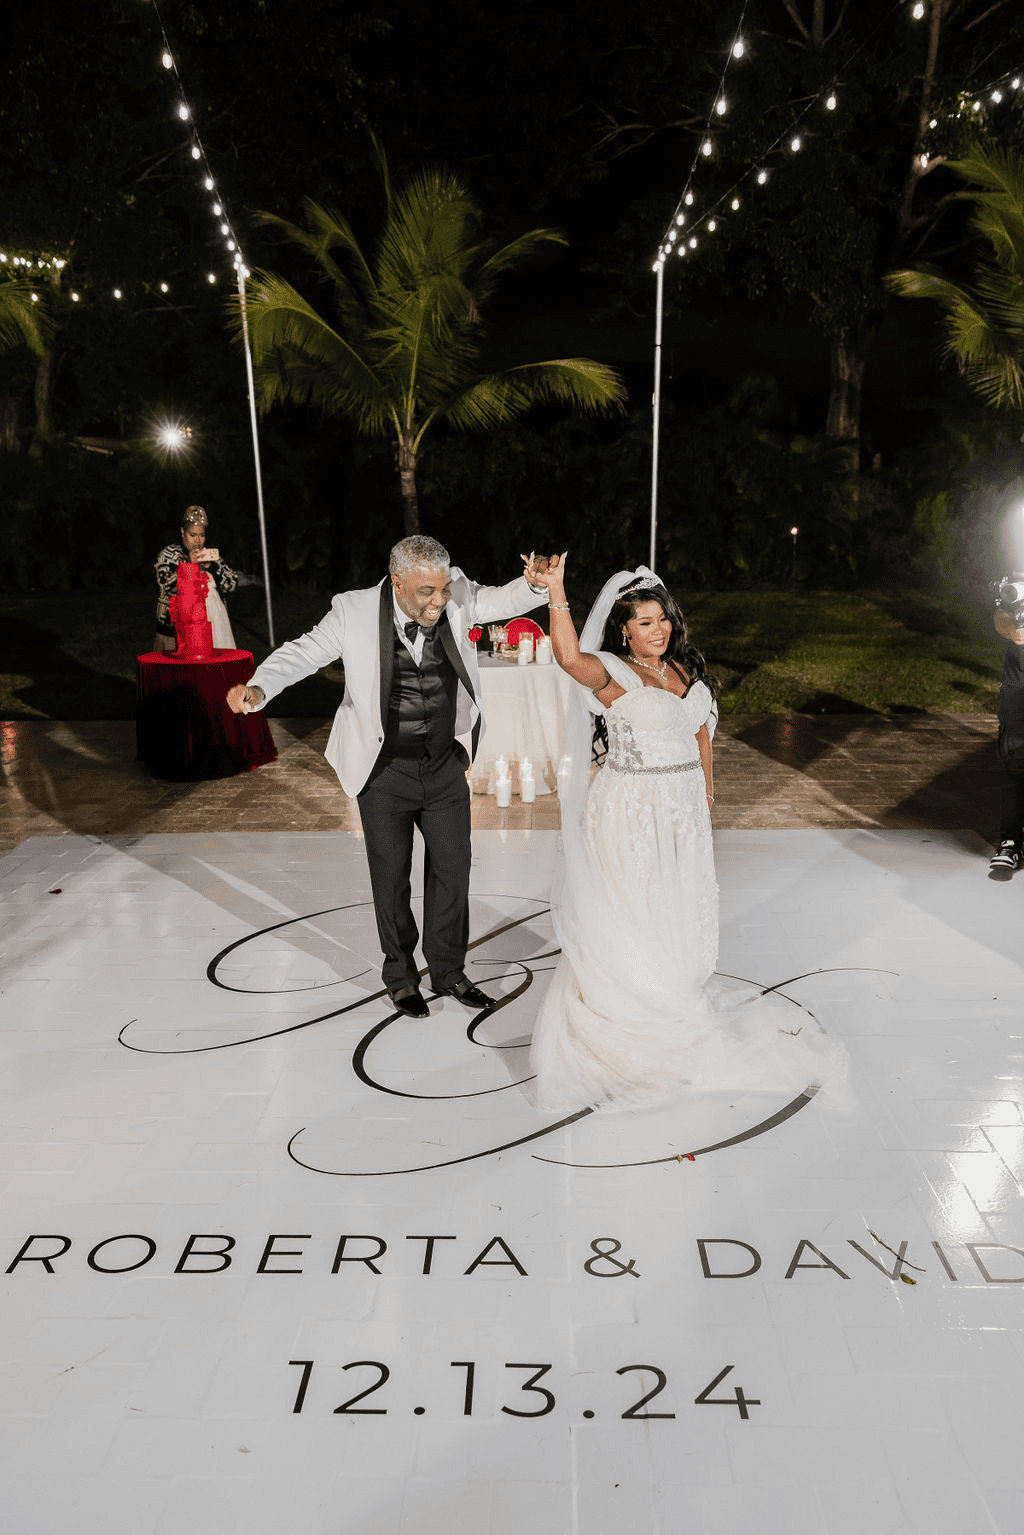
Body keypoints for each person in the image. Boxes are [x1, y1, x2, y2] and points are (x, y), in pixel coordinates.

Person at [527, 556, 844, 1113]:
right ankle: (627, 1020)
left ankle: (671, 1001)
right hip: (629, 810)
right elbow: (567, 656)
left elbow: (700, 734)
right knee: (634, 910)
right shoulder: (612, 672)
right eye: (645, 622)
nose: (659, 629)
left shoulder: (683, 671)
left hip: (681, 812)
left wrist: (706, 796)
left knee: (675, 909)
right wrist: (556, 592)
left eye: (663, 618)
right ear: (624, 629)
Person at [226, 535, 552, 1017]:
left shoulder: (454, 591)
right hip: (383, 772)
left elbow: (499, 599)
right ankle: (400, 976)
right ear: (397, 583)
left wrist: (533, 584)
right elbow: (303, 652)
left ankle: (449, 971)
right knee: (391, 879)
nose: (439, 600)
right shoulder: (353, 612)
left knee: (452, 871)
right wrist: (259, 688)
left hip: (443, 765)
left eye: (443, 589)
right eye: (426, 592)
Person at [154, 505, 239, 651]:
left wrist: (212, 567)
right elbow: (165, 584)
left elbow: (232, 583)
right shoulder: (170, 554)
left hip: (212, 629)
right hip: (174, 632)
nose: (198, 540)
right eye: (193, 535)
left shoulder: (210, 556)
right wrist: (189, 564)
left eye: (202, 535)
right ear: (182, 532)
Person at [989, 600, 1024, 879]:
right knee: (1016, 770)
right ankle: (1010, 843)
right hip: (1019, 692)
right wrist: (1014, 631)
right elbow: (1001, 613)